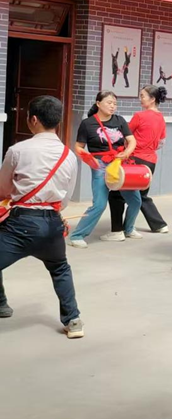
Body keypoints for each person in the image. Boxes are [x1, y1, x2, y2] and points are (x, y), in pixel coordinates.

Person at [0, 96, 84, 338]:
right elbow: (65, 199)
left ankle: (2, 304)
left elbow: (3, 189)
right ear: (58, 121)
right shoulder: (69, 155)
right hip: (52, 224)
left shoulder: (18, 150)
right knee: (60, 268)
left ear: (33, 119)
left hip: (20, 223)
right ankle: (73, 320)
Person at [67, 91, 139, 248]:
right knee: (99, 204)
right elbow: (78, 147)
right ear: (98, 103)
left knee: (135, 200)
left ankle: (128, 229)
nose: (113, 106)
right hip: (100, 165)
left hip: (120, 164)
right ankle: (77, 235)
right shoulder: (87, 124)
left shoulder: (120, 120)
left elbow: (131, 140)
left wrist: (127, 152)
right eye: (109, 103)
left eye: (115, 103)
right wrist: (88, 159)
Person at [108, 85, 169, 236]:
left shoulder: (139, 116)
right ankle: (158, 225)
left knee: (117, 194)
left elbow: (126, 135)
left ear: (152, 99)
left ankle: (118, 230)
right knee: (141, 195)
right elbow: (161, 142)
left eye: (142, 96)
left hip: (134, 160)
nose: (140, 99)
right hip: (150, 162)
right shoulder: (161, 117)